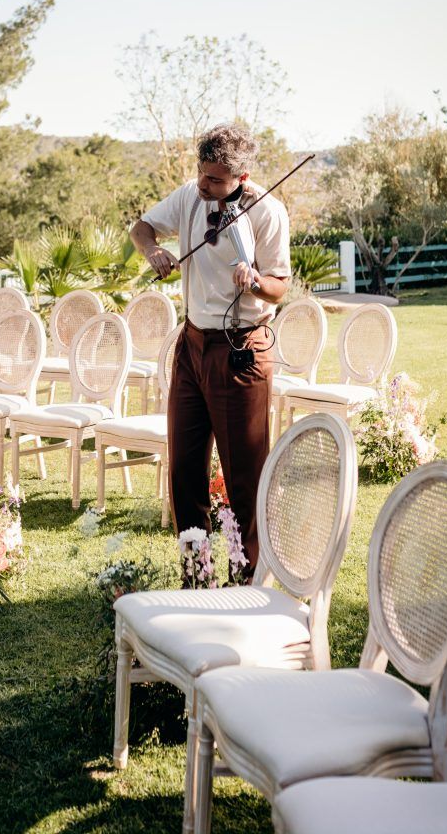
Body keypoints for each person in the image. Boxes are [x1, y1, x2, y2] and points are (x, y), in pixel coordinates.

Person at [130, 122, 290, 577]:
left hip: (241, 350)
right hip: (192, 346)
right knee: (183, 469)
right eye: (202, 174)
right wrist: (152, 251)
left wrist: (256, 280)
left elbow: (280, 287)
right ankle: (196, 574)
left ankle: (248, 577)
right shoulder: (189, 196)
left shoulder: (267, 211)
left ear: (240, 178)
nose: (204, 185)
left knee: (244, 476)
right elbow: (141, 228)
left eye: (215, 180)